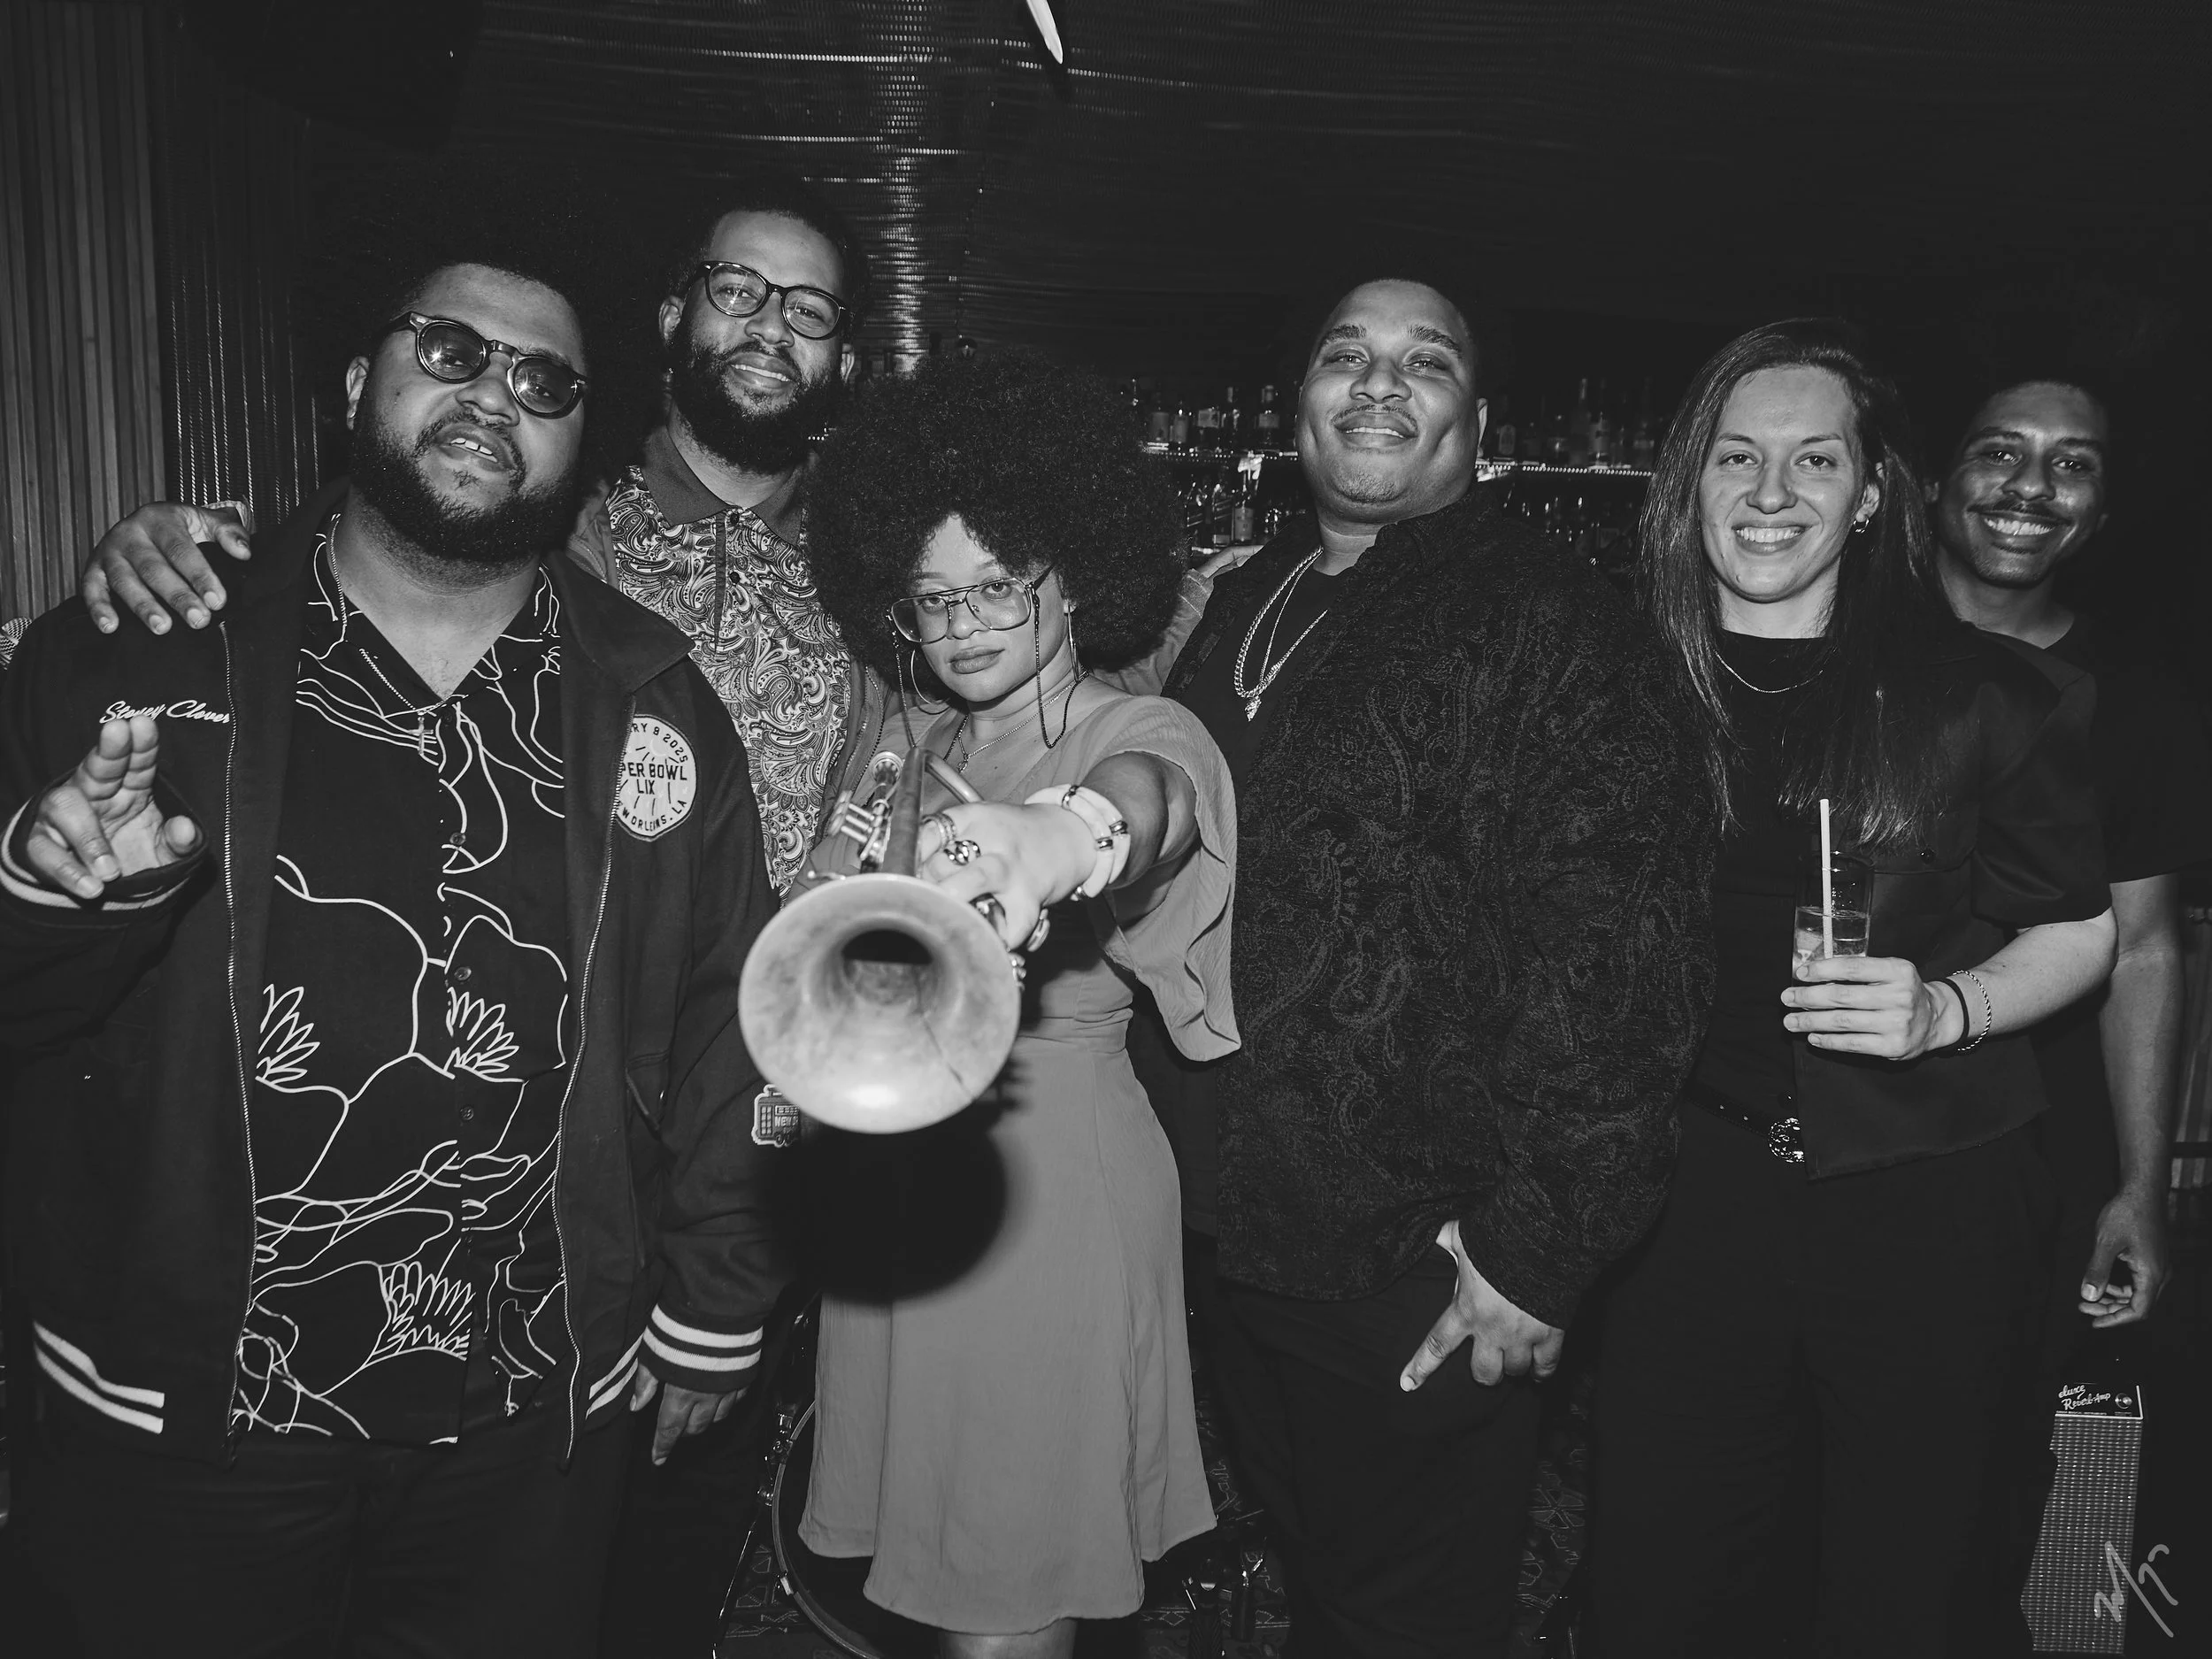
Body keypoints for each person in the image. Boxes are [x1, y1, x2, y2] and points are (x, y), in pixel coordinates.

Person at [1, 249, 785, 1655]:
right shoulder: (132, 648)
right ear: (361, 380)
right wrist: (60, 896)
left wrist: (714, 1299)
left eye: (545, 380)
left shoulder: (654, 697)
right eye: (451, 349)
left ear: (578, 440)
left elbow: (737, 1007)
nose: (496, 393)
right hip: (197, 1398)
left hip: (531, 1410)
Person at [1160, 278, 1718, 1656]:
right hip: (1236, 1228)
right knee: (1323, 1584)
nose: (1378, 383)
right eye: (1345, 354)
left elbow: (1627, 949)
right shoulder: (1245, 598)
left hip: (1412, 1245)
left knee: (1409, 1621)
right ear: (1299, 407)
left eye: (1425, 363)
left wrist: (1538, 1249)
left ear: (1479, 421)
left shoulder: (1555, 616)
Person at [1586, 321, 2116, 1658]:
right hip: (1688, 1194)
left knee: (1909, 1588)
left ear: (1873, 489)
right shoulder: (1612, 689)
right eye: (1737, 457)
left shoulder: (1990, 696)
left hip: (1928, 1196)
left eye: (1814, 458)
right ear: (1687, 482)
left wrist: (1947, 1007)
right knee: (1663, 1585)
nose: (1771, 493)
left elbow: (2081, 928)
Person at [76, 173, 880, 894]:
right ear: (675, 317)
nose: (773, 326)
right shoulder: (543, 503)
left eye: (808, 309)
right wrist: (187, 548)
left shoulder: (884, 569)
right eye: (738, 288)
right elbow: (387, 528)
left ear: (844, 362)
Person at [795, 353, 1237, 1655]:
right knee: (928, 1573)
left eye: (998, 582)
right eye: (935, 597)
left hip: (1043, 1193)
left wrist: (1074, 838)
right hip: (902, 1181)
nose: (967, 621)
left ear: (1075, 577)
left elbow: (1154, 801)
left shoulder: (1130, 726)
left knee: (1008, 1588)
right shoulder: (917, 739)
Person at [1931, 373, 2212, 1644]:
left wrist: (2141, 1187)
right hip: (1831, 1123)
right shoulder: (1846, 648)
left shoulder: (2140, 703)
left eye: (2072, 464)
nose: (2030, 487)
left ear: (2099, 510)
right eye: (2000, 450)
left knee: (1987, 1474)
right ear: (1936, 478)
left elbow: (2147, 950)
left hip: (2040, 1145)